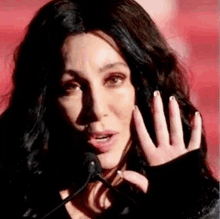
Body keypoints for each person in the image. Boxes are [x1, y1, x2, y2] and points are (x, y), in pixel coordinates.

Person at [0, 0, 218, 218]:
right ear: (46, 100)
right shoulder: (14, 197)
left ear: (144, 87)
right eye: (72, 86)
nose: (96, 108)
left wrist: (184, 212)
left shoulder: (199, 204)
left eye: (114, 79)